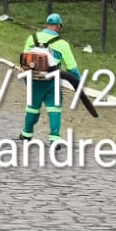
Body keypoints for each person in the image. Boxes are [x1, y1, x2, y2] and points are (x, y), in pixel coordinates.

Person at [19, 12, 82, 144]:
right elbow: (72, 69)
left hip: (33, 79)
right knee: (54, 108)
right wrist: (79, 84)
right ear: (58, 26)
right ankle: (54, 139)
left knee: (32, 107)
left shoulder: (32, 38)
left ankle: (26, 133)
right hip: (51, 81)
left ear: (47, 24)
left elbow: (24, 60)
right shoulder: (62, 44)